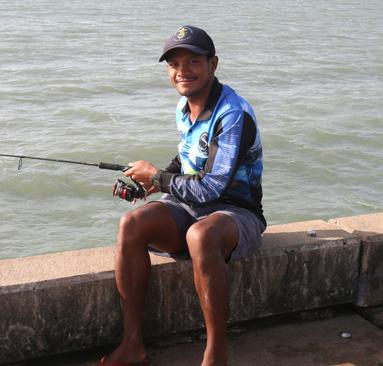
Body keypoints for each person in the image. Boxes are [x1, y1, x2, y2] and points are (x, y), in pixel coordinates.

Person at [100, 25, 266, 366]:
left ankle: (215, 355)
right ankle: (132, 344)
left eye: (193, 61)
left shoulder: (232, 114)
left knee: (201, 235)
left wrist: (159, 178)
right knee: (131, 224)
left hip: (236, 213)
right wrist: (152, 181)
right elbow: (188, 159)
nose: (182, 71)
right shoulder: (183, 106)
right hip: (189, 205)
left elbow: (212, 188)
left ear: (213, 64)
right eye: (174, 64)